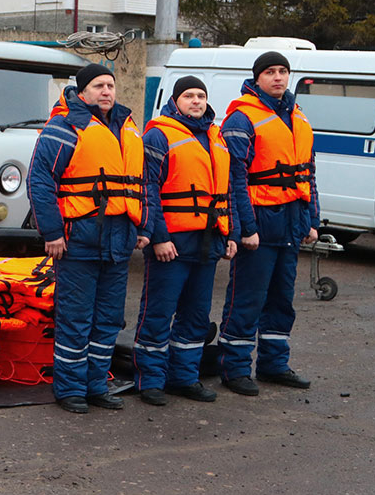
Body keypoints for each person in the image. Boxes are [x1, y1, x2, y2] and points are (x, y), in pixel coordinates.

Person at [28, 63, 148, 414]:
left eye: (110, 85)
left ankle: (96, 385)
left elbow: (142, 185)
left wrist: (144, 229)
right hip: (78, 239)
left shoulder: (127, 128)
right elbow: (40, 182)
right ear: (83, 92)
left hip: (119, 239)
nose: (107, 92)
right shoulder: (65, 127)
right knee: (76, 318)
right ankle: (69, 389)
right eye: (98, 86)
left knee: (108, 318)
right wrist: (51, 232)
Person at [218, 51, 318, 394]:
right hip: (260, 220)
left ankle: (274, 364)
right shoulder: (242, 119)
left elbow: (308, 173)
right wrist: (247, 228)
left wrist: (312, 220)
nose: (278, 77)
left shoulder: (298, 117)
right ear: (257, 78)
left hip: (291, 221)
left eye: (283, 72)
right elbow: (235, 180)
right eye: (271, 72)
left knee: (281, 299)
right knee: (247, 298)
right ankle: (234, 369)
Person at [132, 76, 236, 406]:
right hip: (172, 243)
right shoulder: (158, 134)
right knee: (159, 313)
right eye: (188, 95)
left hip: (208, 241)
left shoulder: (216, 137)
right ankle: (150, 380)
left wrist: (230, 232)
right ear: (175, 101)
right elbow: (147, 188)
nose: (196, 101)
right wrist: (159, 237)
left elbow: (228, 190)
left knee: (196, 315)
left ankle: (185, 378)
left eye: (200, 95)